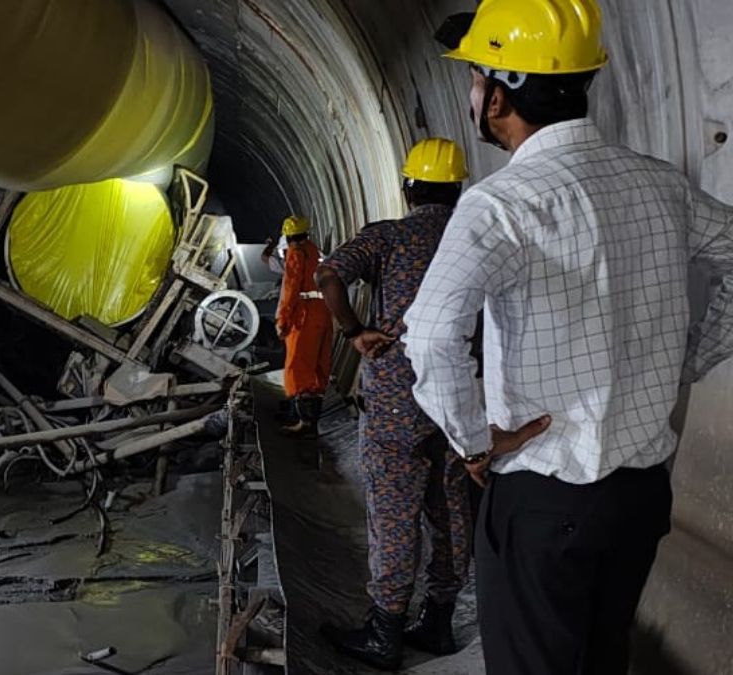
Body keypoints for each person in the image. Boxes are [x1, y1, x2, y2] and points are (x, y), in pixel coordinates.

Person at [403, 1, 733, 673]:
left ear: (498, 94)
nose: (470, 96)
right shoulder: (660, 185)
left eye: (473, 79)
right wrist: (690, 358)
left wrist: (472, 440)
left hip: (544, 498)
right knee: (600, 656)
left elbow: (432, 335)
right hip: (639, 496)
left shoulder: (501, 204)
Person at [314, 138, 473, 670]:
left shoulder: (389, 235)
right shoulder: (474, 235)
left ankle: (384, 629)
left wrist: (355, 331)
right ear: (457, 188)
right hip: (459, 395)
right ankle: (439, 620)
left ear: (408, 188)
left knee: (394, 510)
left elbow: (328, 274)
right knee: (449, 507)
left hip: (395, 398)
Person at [274, 215, 333, 437]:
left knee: (298, 366)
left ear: (288, 237)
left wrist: (282, 321)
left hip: (304, 313)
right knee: (318, 366)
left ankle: (303, 422)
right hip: (323, 311)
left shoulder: (296, 254)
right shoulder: (316, 253)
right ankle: (309, 419)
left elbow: (290, 289)